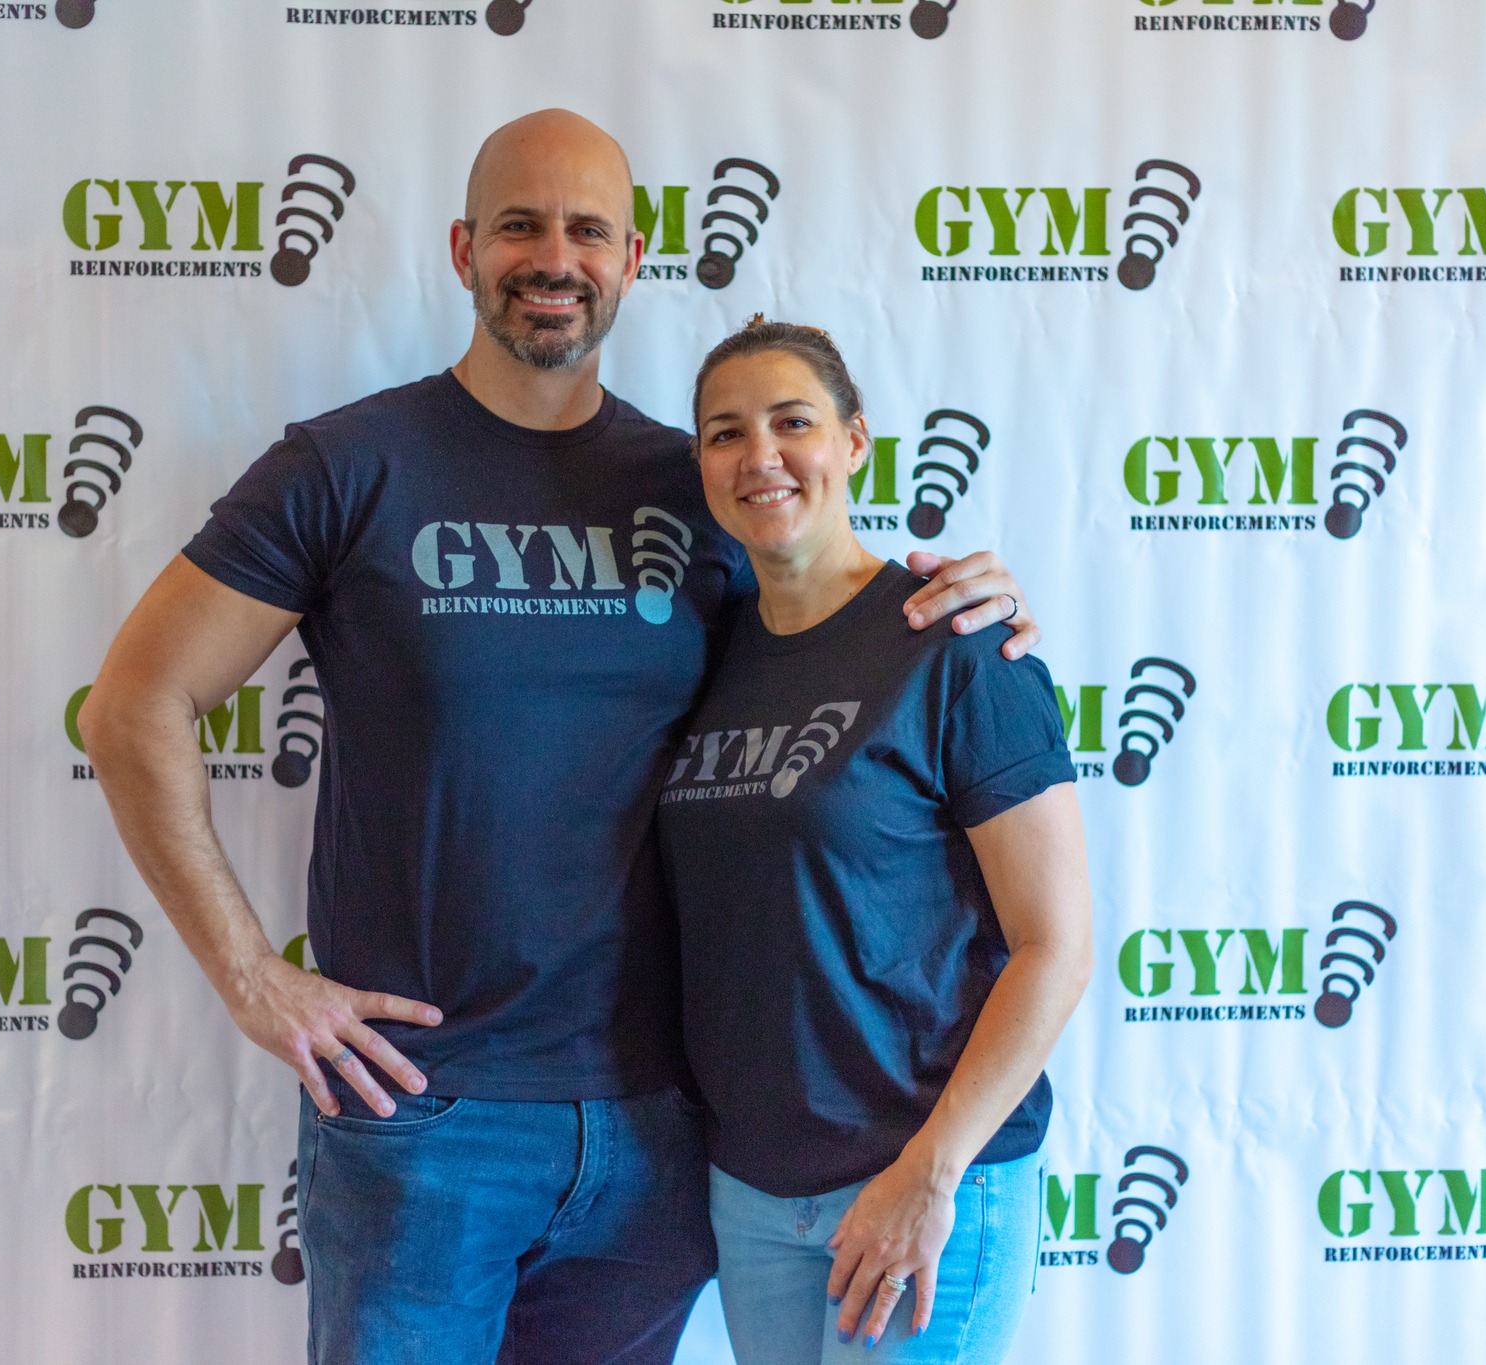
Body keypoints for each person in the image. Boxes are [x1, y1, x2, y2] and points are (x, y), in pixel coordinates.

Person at [77, 111, 1045, 1364]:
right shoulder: (345, 466)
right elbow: (133, 706)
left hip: (666, 1126)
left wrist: (969, 601)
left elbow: (840, 644)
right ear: (462, 249)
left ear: (632, 257)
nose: (554, 256)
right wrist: (253, 980)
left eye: (587, 229)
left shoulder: (696, 484)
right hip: (424, 1117)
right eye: (519, 225)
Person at [656, 319, 1093, 1363]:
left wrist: (929, 1172)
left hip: (919, 1175)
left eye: (790, 422)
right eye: (724, 433)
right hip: (755, 1191)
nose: (758, 456)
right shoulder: (701, 652)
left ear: (854, 440)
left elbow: (1056, 944)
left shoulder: (954, 645)